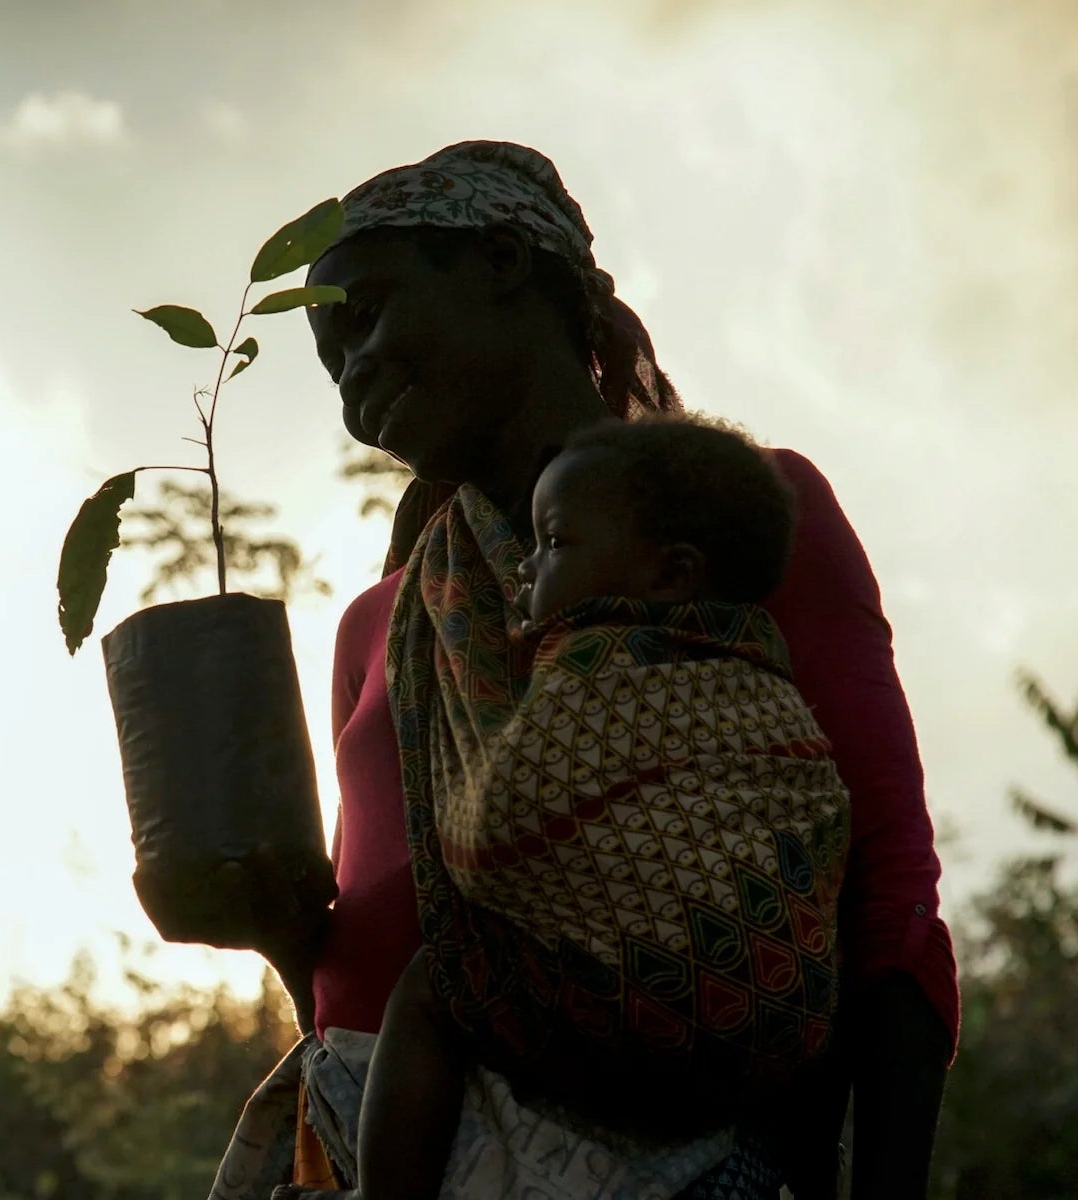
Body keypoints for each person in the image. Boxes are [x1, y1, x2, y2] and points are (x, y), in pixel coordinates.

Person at [231, 141, 957, 1200]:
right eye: (333, 364)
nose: (355, 378)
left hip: (670, 1157)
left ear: (501, 263)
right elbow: (373, 948)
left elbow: (887, 894)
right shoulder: (381, 625)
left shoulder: (736, 521)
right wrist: (273, 931)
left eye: (371, 314)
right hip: (372, 1145)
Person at [345, 414, 853, 1200]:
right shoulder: (757, 670)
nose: (526, 573)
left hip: (651, 1017)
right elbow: (814, 823)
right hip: (779, 1026)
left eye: (555, 545)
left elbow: (499, 830)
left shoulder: (596, 657)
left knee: (434, 981)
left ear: (669, 575)